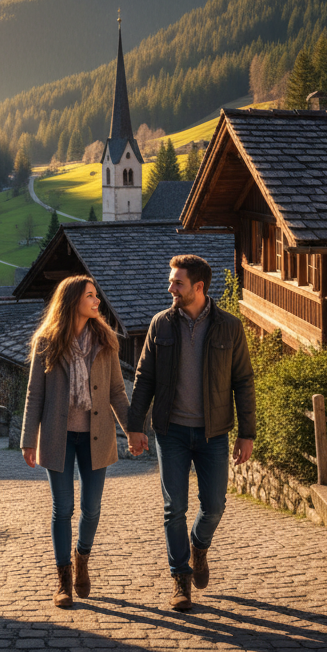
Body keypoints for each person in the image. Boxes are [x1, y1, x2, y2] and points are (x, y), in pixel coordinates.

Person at [126, 254, 255, 612]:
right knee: (174, 508)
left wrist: (247, 433)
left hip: (214, 433)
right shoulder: (160, 325)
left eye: (177, 283)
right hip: (172, 432)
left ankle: (199, 546)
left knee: (214, 506)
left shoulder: (229, 327)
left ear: (198, 287)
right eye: (172, 282)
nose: (170, 288)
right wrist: (134, 426)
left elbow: (243, 381)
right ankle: (180, 578)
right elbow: (144, 378)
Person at [21, 274, 134, 607]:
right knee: (63, 509)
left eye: (96, 296)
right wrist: (29, 439)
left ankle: (82, 557)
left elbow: (116, 391)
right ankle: (63, 580)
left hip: (95, 436)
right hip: (57, 436)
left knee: (92, 508)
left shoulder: (105, 341)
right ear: (73, 301)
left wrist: (132, 430)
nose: (97, 301)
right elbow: (33, 395)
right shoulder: (47, 342)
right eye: (90, 295)